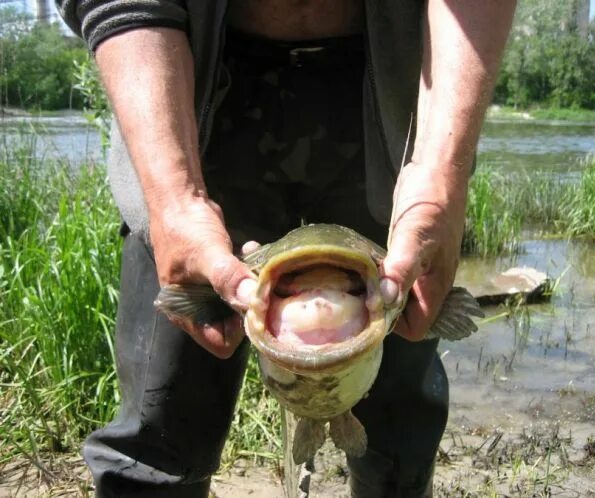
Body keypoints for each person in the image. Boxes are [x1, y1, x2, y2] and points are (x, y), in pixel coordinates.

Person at [56, 1, 515, 496]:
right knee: (160, 427)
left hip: (392, 90)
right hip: (192, 77)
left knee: (401, 427)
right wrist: (174, 197)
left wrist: (441, 173)